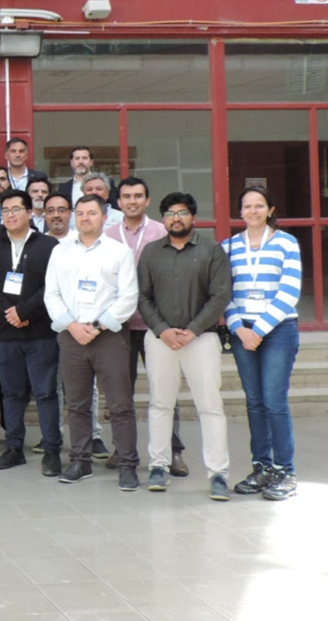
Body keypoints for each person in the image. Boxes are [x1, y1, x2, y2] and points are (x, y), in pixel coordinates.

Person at [136, 192, 232, 499]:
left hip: (201, 339)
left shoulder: (211, 251)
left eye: (181, 213)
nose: (175, 218)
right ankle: (159, 466)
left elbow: (220, 296)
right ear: (162, 219)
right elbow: (143, 297)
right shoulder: (151, 252)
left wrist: (191, 331)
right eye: (169, 214)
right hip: (160, 340)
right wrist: (163, 331)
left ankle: (218, 473)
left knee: (210, 407)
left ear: (193, 216)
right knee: (160, 404)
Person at [44, 194, 140, 490]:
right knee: (77, 404)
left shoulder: (119, 252)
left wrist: (97, 326)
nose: (85, 218)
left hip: (108, 337)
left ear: (104, 216)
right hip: (71, 336)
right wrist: (72, 326)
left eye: (92, 213)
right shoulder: (60, 251)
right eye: (81, 213)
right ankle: (80, 461)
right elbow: (51, 295)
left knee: (120, 404)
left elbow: (128, 298)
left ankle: (127, 464)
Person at [0, 189, 62, 476]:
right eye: (5, 211)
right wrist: (8, 312)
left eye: (15, 209)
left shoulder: (49, 245)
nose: (10, 215)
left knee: (46, 392)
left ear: (29, 212)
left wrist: (24, 311)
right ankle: (14, 448)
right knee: (11, 393)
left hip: (40, 332)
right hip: (3, 332)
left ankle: (51, 450)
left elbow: (52, 286)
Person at [223, 186, 302, 501]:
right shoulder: (228, 247)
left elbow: (289, 291)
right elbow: (223, 292)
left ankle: (285, 471)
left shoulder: (286, 243)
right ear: (240, 211)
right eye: (247, 206)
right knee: (254, 402)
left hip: (279, 330)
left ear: (270, 210)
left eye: (259, 206)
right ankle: (262, 467)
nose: (253, 211)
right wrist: (240, 329)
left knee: (274, 402)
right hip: (242, 333)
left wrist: (260, 329)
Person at [106, 176, 185, 474]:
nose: (132, 201)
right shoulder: (108, 234)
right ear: (118, 202)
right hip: (118, 326)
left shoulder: (162, 232)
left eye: (138, 196)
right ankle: (122, 448)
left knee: (164, 391)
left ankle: (173, 451)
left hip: (157, 324)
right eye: (126, 196)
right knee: (119, 392)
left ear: (147, 200)